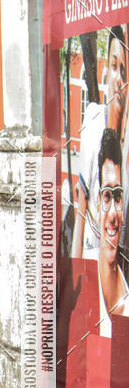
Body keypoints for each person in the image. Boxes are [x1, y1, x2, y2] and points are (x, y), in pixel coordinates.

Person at [72, 26, 127, 258]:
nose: (119, 80)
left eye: (124, 72)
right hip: (92, 257)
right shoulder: (94, 122)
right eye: (114, 67)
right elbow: (82, 207)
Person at [85, 128, 129, 335]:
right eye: (107, 196)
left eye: (118, 197)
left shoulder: (126, 295)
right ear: (97, 202)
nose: (113, 213)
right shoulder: (85, 271)